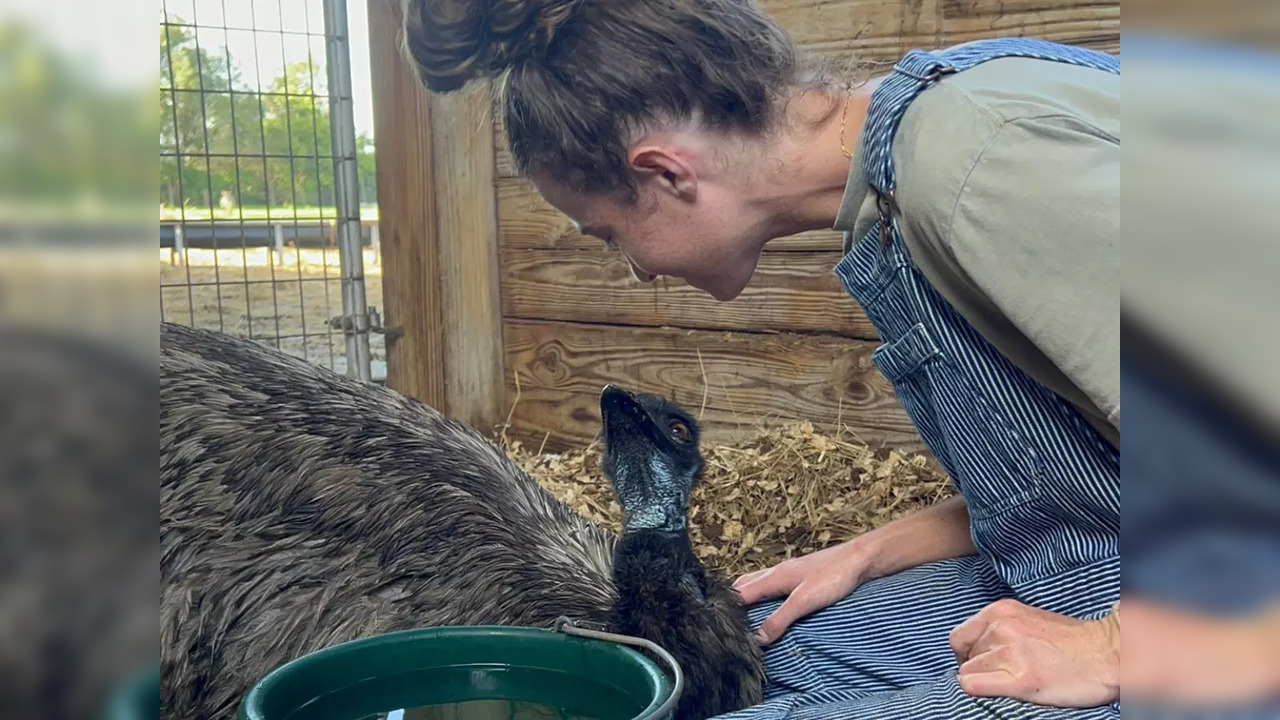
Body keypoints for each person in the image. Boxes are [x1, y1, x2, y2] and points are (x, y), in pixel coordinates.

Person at [403, 1, 1123, 716]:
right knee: (720, 659)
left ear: (666, 174)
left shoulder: (978, 163)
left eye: (609, 236)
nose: (635, 272)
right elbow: (1089, 468)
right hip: (1086, 567)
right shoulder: (895, 186)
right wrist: (869, 553)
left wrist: (1111, 647)